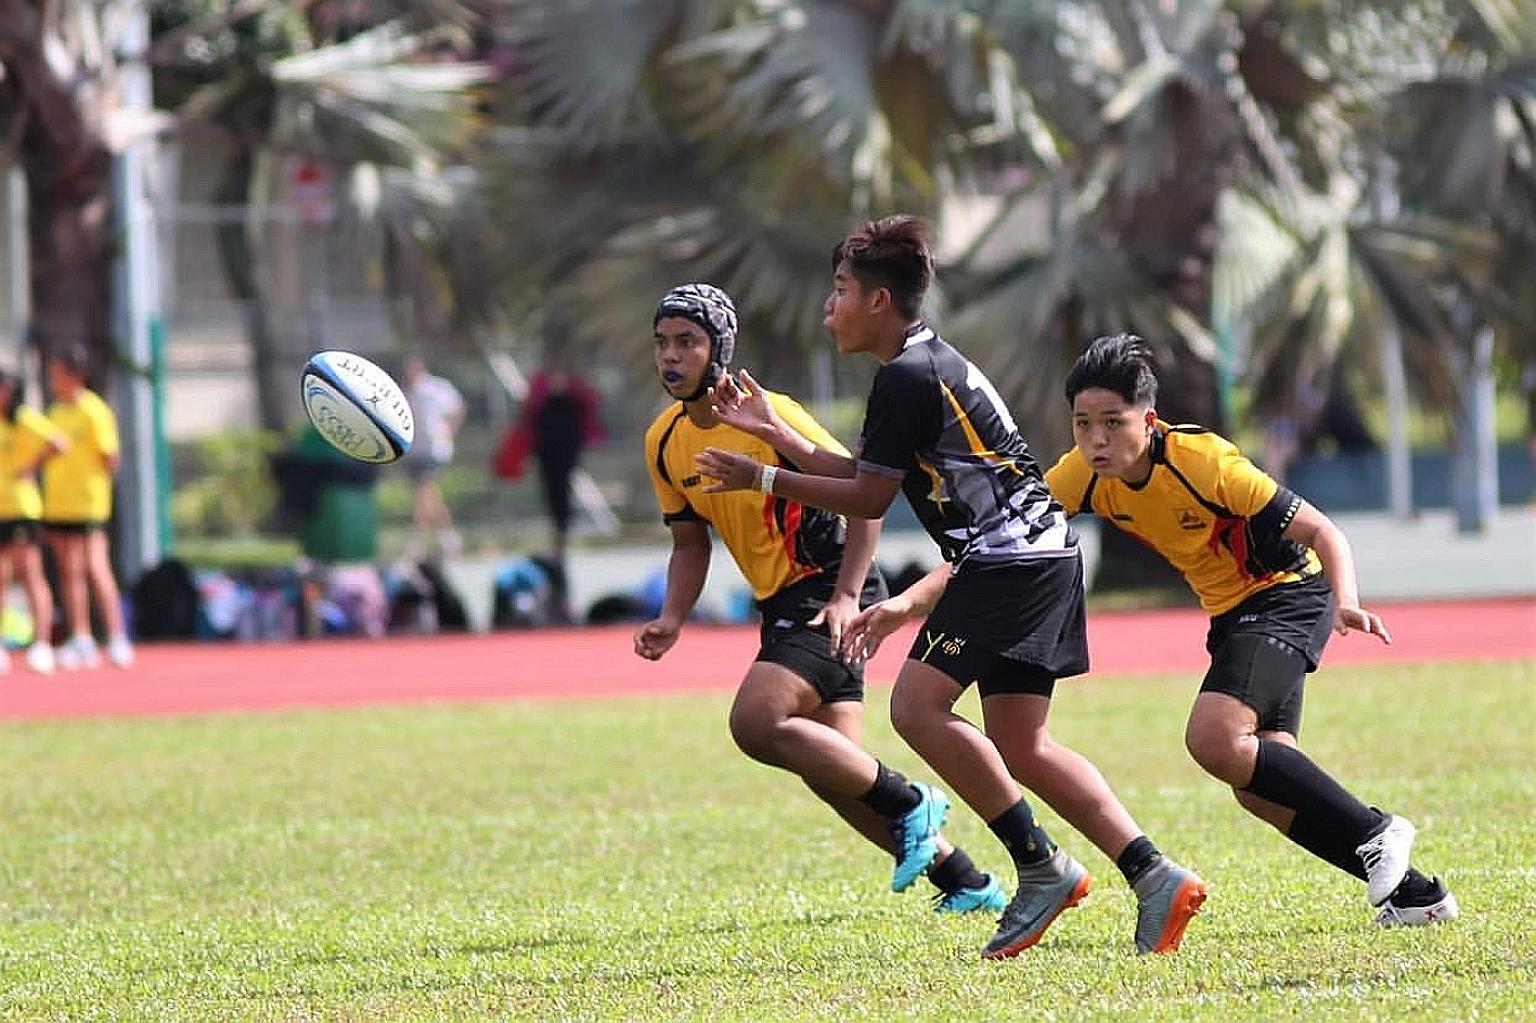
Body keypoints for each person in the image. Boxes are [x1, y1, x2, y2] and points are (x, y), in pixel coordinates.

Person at [695, 217, 1206, 958]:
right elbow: (868, 474)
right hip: (1041, 554)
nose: (828, 308)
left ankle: (1041, 866)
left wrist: (762, 474)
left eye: (838, 292)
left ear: (877, 300)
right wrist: (777, 433)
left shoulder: (907, 374)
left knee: (916, 706)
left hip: (1008, 562)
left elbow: (868, 500)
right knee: (1023, 744)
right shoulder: (916, 363)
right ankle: (1154, 874)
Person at [1044, 333, 1457, 928]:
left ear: (1150, 420)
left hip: (1290, 595)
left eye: (1113, 421)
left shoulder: (1204, 463)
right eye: (1083, 424)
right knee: (1260, 783)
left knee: (1214, 737)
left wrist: (1346, 601)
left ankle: (1380, 831)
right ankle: (1415, 897)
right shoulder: (1083, 474)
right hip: (1235, 617)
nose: (1097, 438)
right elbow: (1014, 522)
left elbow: (1323, 532)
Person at [634, 282, 1008, 917]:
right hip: (781, 600)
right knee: (838, 776)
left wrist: (843, 596)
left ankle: (914, 801)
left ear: (719, 349)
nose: (672, 356)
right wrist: (672, 617)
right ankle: (967, 881)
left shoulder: (767, 415)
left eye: (688, 342)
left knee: (756, 723)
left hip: (832, 586)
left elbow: (865, 500)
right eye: (663, 344)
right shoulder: (663, 442)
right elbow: (690, 544)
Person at [41, 344, 133, 669]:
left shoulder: (94, 411)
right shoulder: (55, 413)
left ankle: (118, 636)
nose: (54, 381)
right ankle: (81, 637)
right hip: (59, 505)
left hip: (89, 504)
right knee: (69, 571)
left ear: (75, 375)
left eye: (58, 375)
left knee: (96, 567)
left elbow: (110, 457)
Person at [497, 364, 605, 566]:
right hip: (545, 450)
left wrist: (568, 388)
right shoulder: (540, 388)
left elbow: (591, 403)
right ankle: (557, 531)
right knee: (551, 490)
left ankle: (562, 533)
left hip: (567, 449)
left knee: (563, 489)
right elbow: (529, 411)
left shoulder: (576, 390)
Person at [0, 367, 65, 672]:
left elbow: (59, 442)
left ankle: (41, 643)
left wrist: (32, 466)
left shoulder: (25, 419)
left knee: (29, 574)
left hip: (22, 510)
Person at [401, 355, 466, 559]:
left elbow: (458, 408)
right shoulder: (405, 392)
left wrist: (449, 430)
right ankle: (449, 538)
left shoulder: (436, 388)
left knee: (424, 493)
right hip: (414, 450)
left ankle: (416, 543)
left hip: (434, 450)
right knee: (429, 496)